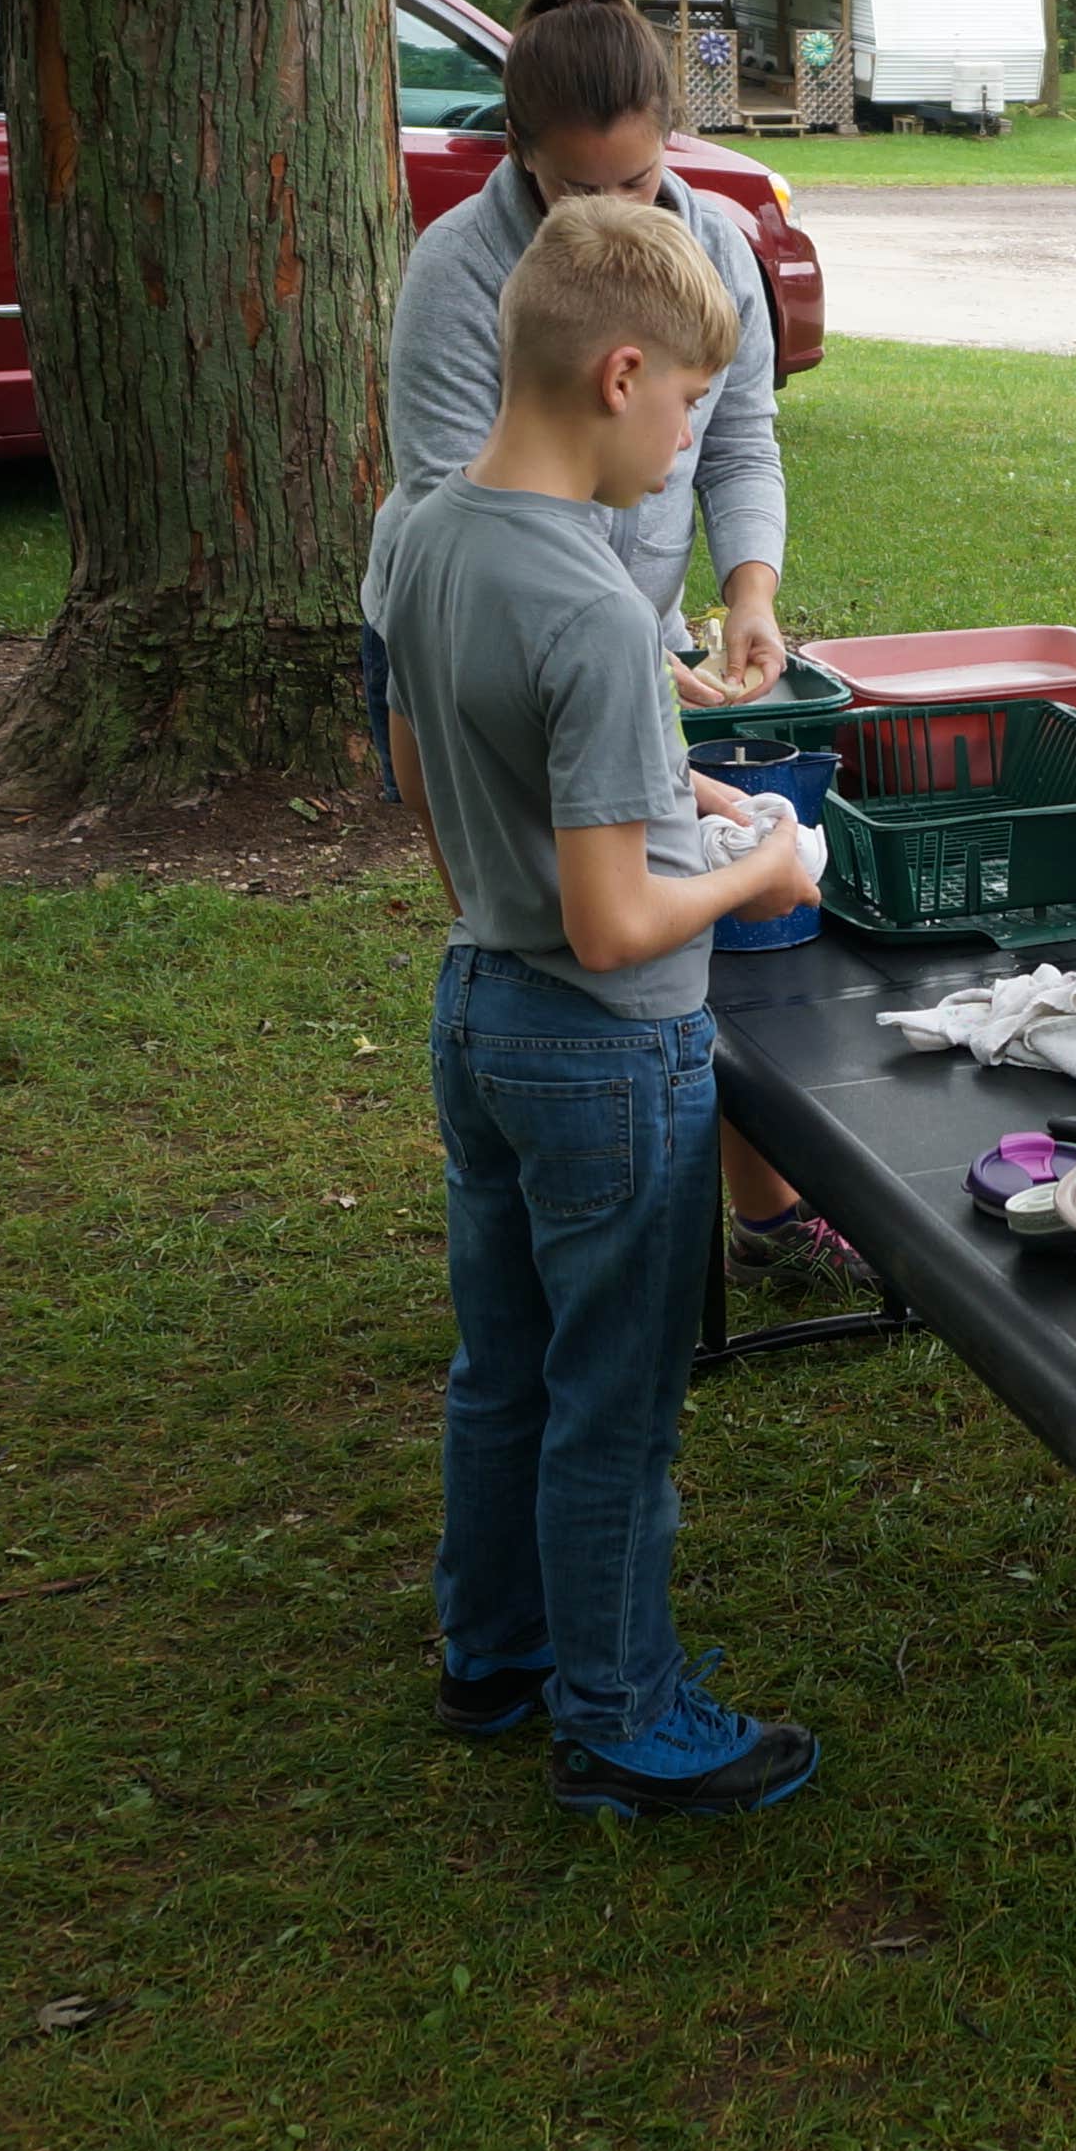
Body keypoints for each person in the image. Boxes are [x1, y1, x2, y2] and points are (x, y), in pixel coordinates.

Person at [386, 196, 822, 1819]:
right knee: (615, 1407)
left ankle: (489, 1649)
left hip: (480, 1003)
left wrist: (675, 779)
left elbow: (430, 754)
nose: (694, 440)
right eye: (694, 405)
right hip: (604, 1042)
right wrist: (759, 865)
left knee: (502, 1366)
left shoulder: (431, 529)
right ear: (621, 374)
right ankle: (622, 1711)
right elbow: (617, 909)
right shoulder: (586, 596)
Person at [367, 0, 864, 1302]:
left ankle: (735, 1205)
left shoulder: (708, 249)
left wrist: (745, 591)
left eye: (640, 183)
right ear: (519, 160)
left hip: (609, 637)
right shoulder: (457, 276)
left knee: (610, 922)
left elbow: (741, 433)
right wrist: (625, 654)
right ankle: (572, 1180)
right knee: (543, 943)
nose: (617, 218)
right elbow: (451, 511)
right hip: (488, 641)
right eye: (582, 193)